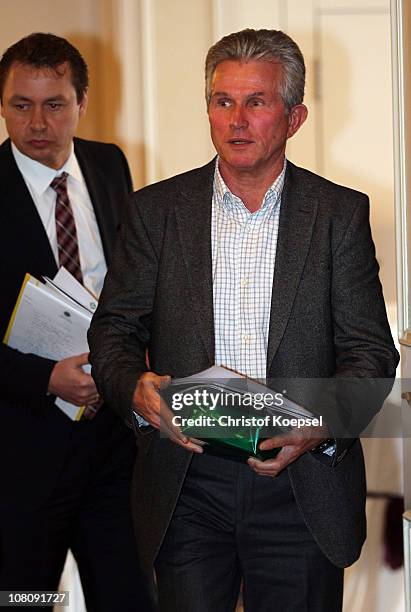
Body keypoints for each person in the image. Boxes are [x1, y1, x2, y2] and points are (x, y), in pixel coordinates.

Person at [89, 28, 399, 611]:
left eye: (256, 102)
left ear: (294, 116)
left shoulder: (339, 215)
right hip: (186, 482)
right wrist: (134, 388)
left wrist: (319, 424)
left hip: (300, 485)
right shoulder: (155, 212)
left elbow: (372, 353)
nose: (236, 118)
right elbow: (113, 331)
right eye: (222, 101)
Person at [0, 33, 154, 611]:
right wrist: (46, 379)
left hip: (114, 444)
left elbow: (135, 282)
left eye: (54, 104)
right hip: (21, 456)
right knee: (25, 601)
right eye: (21, 105)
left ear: (81, 102)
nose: (37, 122)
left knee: (133, 599)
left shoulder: (109, 163)